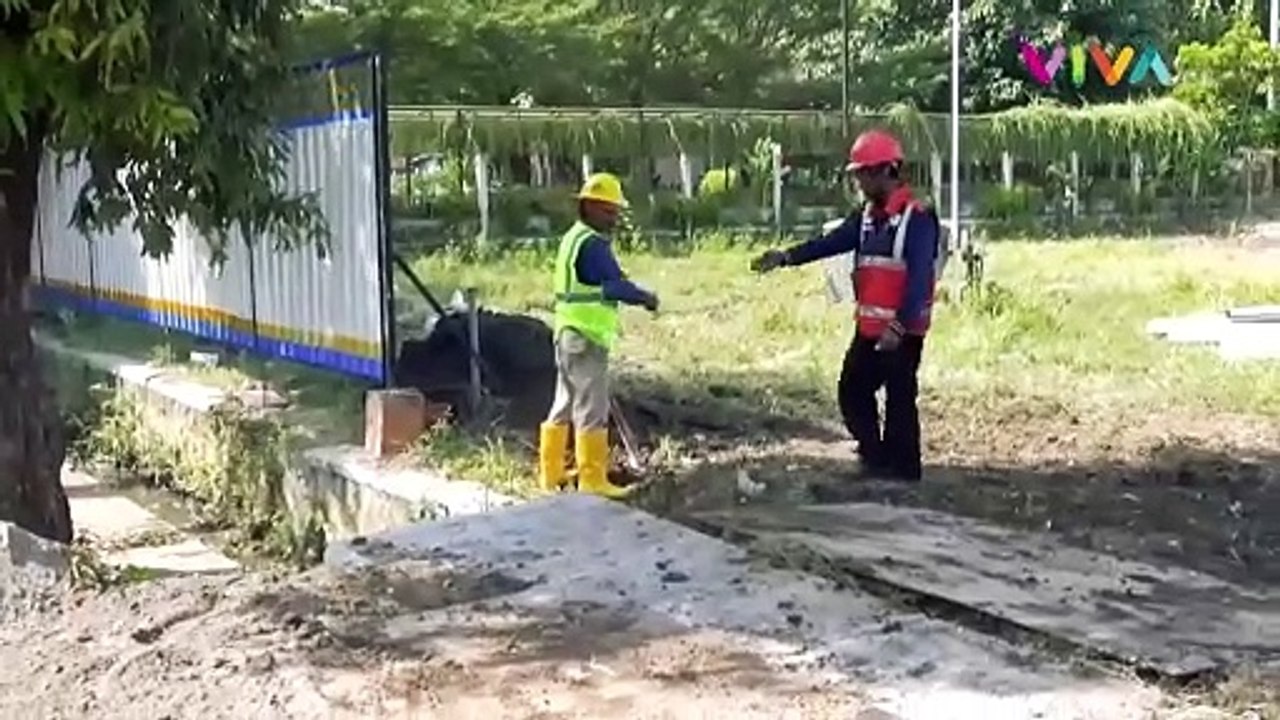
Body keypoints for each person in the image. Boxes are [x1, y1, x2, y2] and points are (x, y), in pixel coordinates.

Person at [750, 129, 940, 482]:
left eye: (864, 174)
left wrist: (899, 326)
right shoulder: (866, 217)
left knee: (899, 401)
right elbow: (832, 242)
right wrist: (787, 257)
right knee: (852, 392)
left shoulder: (917, 217)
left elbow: (919, 280)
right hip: (870, 329)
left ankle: (903, 474)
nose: (859, 182)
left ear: (887, 171)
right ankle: (876, 458)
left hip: (902, 331)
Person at [539, 172, 660, 498]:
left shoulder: (573, 237)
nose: (614, 217)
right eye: (608, 210)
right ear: (590, 207)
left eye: (615, 211)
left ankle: (551, 473)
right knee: (592, 408)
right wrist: (646, 298)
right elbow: (615, 286)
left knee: (564, 402)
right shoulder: (593, 244)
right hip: (587, 336)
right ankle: (593, 479)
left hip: (567, 333)